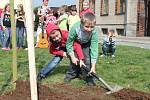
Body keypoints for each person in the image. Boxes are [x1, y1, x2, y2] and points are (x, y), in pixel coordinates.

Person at [65, 12, 99, 86]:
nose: (89, 29)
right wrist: (73, 57)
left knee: (87, 60)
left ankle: (89, 77)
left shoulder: (94, 32)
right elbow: (69, 43)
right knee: (74, 60)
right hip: (76, 42)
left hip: (86, 43)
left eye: (92, 27)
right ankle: (71, 75)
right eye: (86, 26)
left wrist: (93, 66)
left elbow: (94, 49)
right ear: (81, 24)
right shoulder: (75, 28)